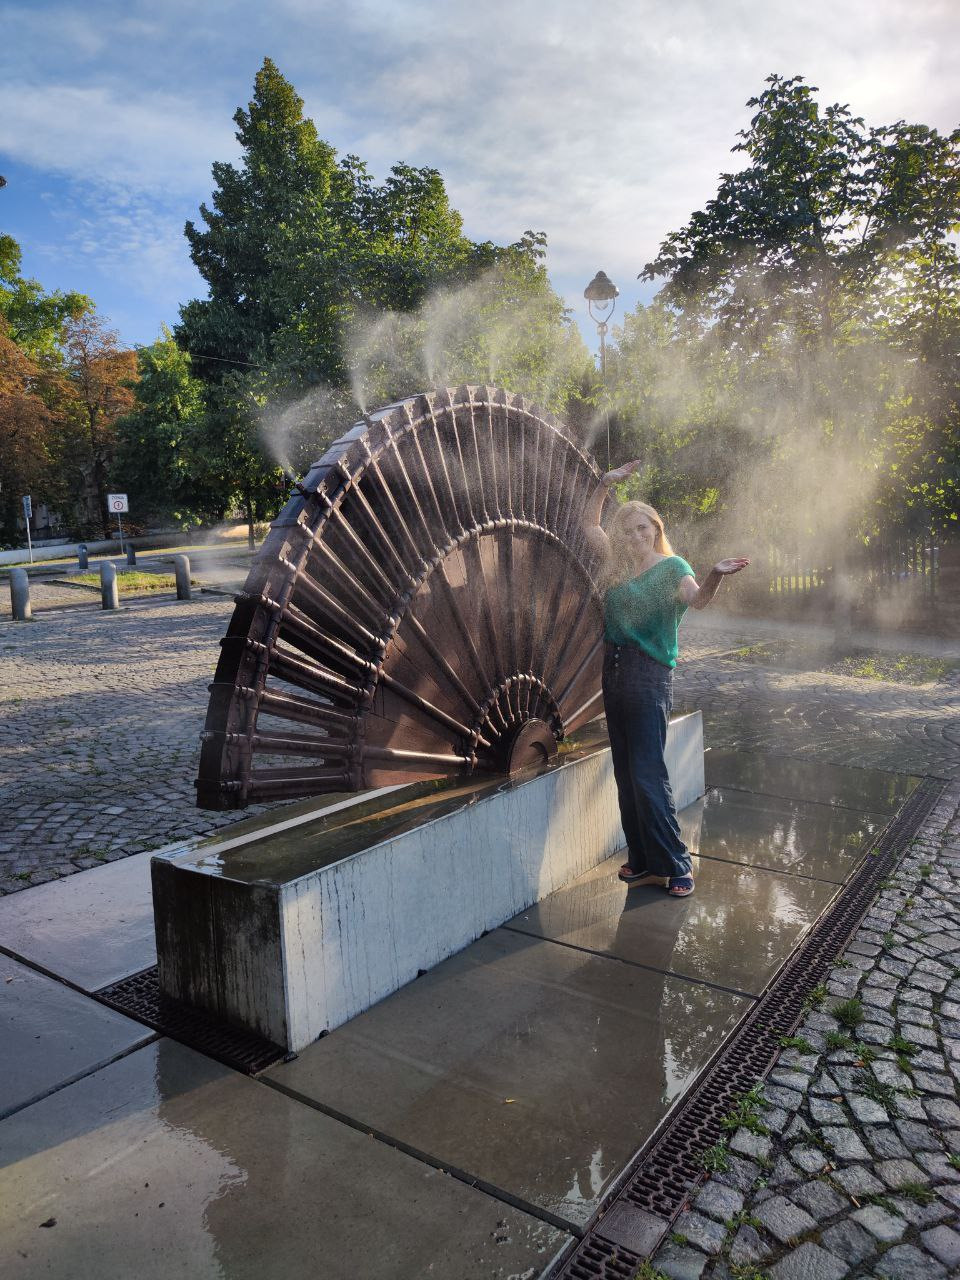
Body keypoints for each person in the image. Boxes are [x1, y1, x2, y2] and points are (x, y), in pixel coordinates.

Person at [584, 460, 749, 898]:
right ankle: (642, 860)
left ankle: (677, 864)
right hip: (614, 672)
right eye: (628, 530)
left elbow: (698, 602)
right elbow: (587, 524)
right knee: (625, 772)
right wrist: (604, 484)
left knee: (647, 773)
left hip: (647, 675)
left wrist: (715, 574)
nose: (636, 536)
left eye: (644, 529)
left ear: (656, 529)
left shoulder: (673, 567)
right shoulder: (617, 568)